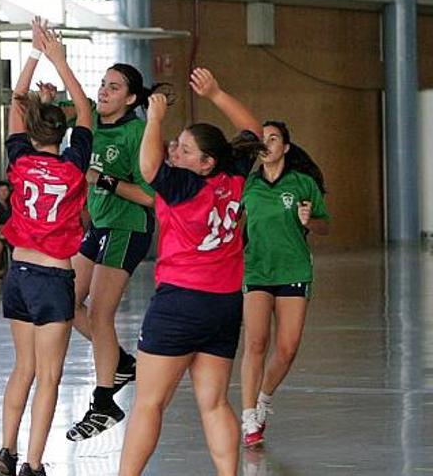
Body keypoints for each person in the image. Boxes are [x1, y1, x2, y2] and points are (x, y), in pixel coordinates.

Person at [118, 68, 265, 476]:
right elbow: (252, 130)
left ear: (205, 163)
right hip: (223, 305)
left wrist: (154, 119)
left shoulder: (183, 184)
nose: (174, 152)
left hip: (180, 302)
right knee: (214, 401)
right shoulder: (232, 177)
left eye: (183, 150)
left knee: (149, 402)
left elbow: (148, 168)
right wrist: (216, 92)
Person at [0, 18, 93, 476]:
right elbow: (86, 111)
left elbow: (16, 107)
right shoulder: (73, 165)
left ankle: (6, 451)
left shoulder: (19, 160)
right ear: (62, 135)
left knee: (22, 369)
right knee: (49, 377)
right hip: (53, 278)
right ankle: (33, 463)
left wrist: (34, 55)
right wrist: (62, 60)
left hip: (18, 275)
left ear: (30, 131)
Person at [58, 62, 161, 441]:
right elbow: (72, 102)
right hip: (98, 225)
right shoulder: (91, 123)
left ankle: (104, 403)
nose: (103, 91)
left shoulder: (138, 133)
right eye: (102, 84)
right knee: (63, 300)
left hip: (127, 226)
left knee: (100, 313)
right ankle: (119, 361)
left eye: (114, 87)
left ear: (131, 98)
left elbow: (150, 197)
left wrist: (101, 179)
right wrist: (53, 68)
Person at [239, 120, 330, 447]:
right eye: (262, 139)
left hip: (293, 271)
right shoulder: (248, 185)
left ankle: (264, 397)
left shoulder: (303, 184)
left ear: (286, 148)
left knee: (287, 348)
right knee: (255, 343)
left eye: (273, 138)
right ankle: (248, 415)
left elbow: (325, 227)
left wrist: (310, 221)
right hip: (257, 271)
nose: (267, 143)